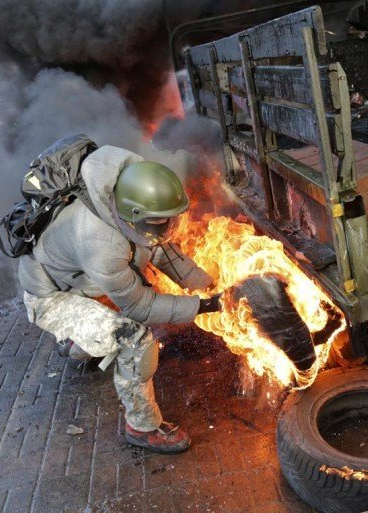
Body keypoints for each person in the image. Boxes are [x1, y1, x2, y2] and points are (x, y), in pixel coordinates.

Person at [18, 145, 221, 454]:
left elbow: (162, 251)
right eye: (158, 223)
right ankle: (142, 427)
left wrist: (208, 285)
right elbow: (141, 305)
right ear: (132, 216)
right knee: (135, 339)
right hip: (51, 298)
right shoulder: (100, 241)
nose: (166, 229)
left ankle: (78, 344)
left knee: (120, 309)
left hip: (79, 280)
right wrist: (205, 306)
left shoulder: (127, 197)